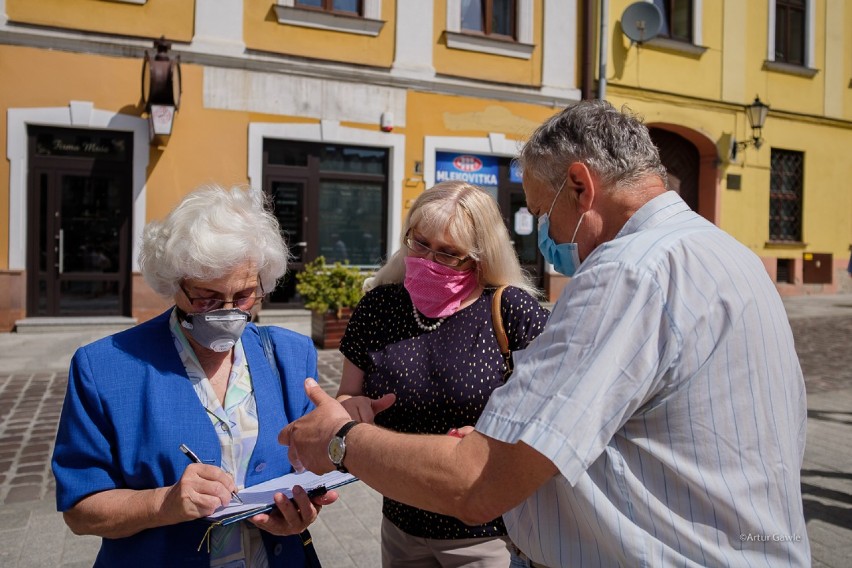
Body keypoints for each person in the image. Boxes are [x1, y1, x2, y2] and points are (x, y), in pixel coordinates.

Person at [279, 100, 811, 567]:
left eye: (541, 213)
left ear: (581, 187)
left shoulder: (625, 273)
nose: (549, 237)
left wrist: (341, 440)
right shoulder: (727, 253)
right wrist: (517, 445)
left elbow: (477, 483)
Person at [52, 184, 337, 567]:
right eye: (204, 297)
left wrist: (303, 504)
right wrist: (161, 503)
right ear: (173, 282)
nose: (226, 311)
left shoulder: (291, 354)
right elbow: (80, 509)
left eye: (244, 296)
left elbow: (307, 468)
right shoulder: (104, 368)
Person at [336, 180, 550, 567]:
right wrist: (354, 408)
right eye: (420, 243)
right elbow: (345, 396)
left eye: (449, 254)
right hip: (399, 522)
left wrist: (503, 438)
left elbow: (555, 412)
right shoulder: (379, 307)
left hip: (486, 533)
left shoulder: (511, 311)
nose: (429, 260)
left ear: (479, 257)